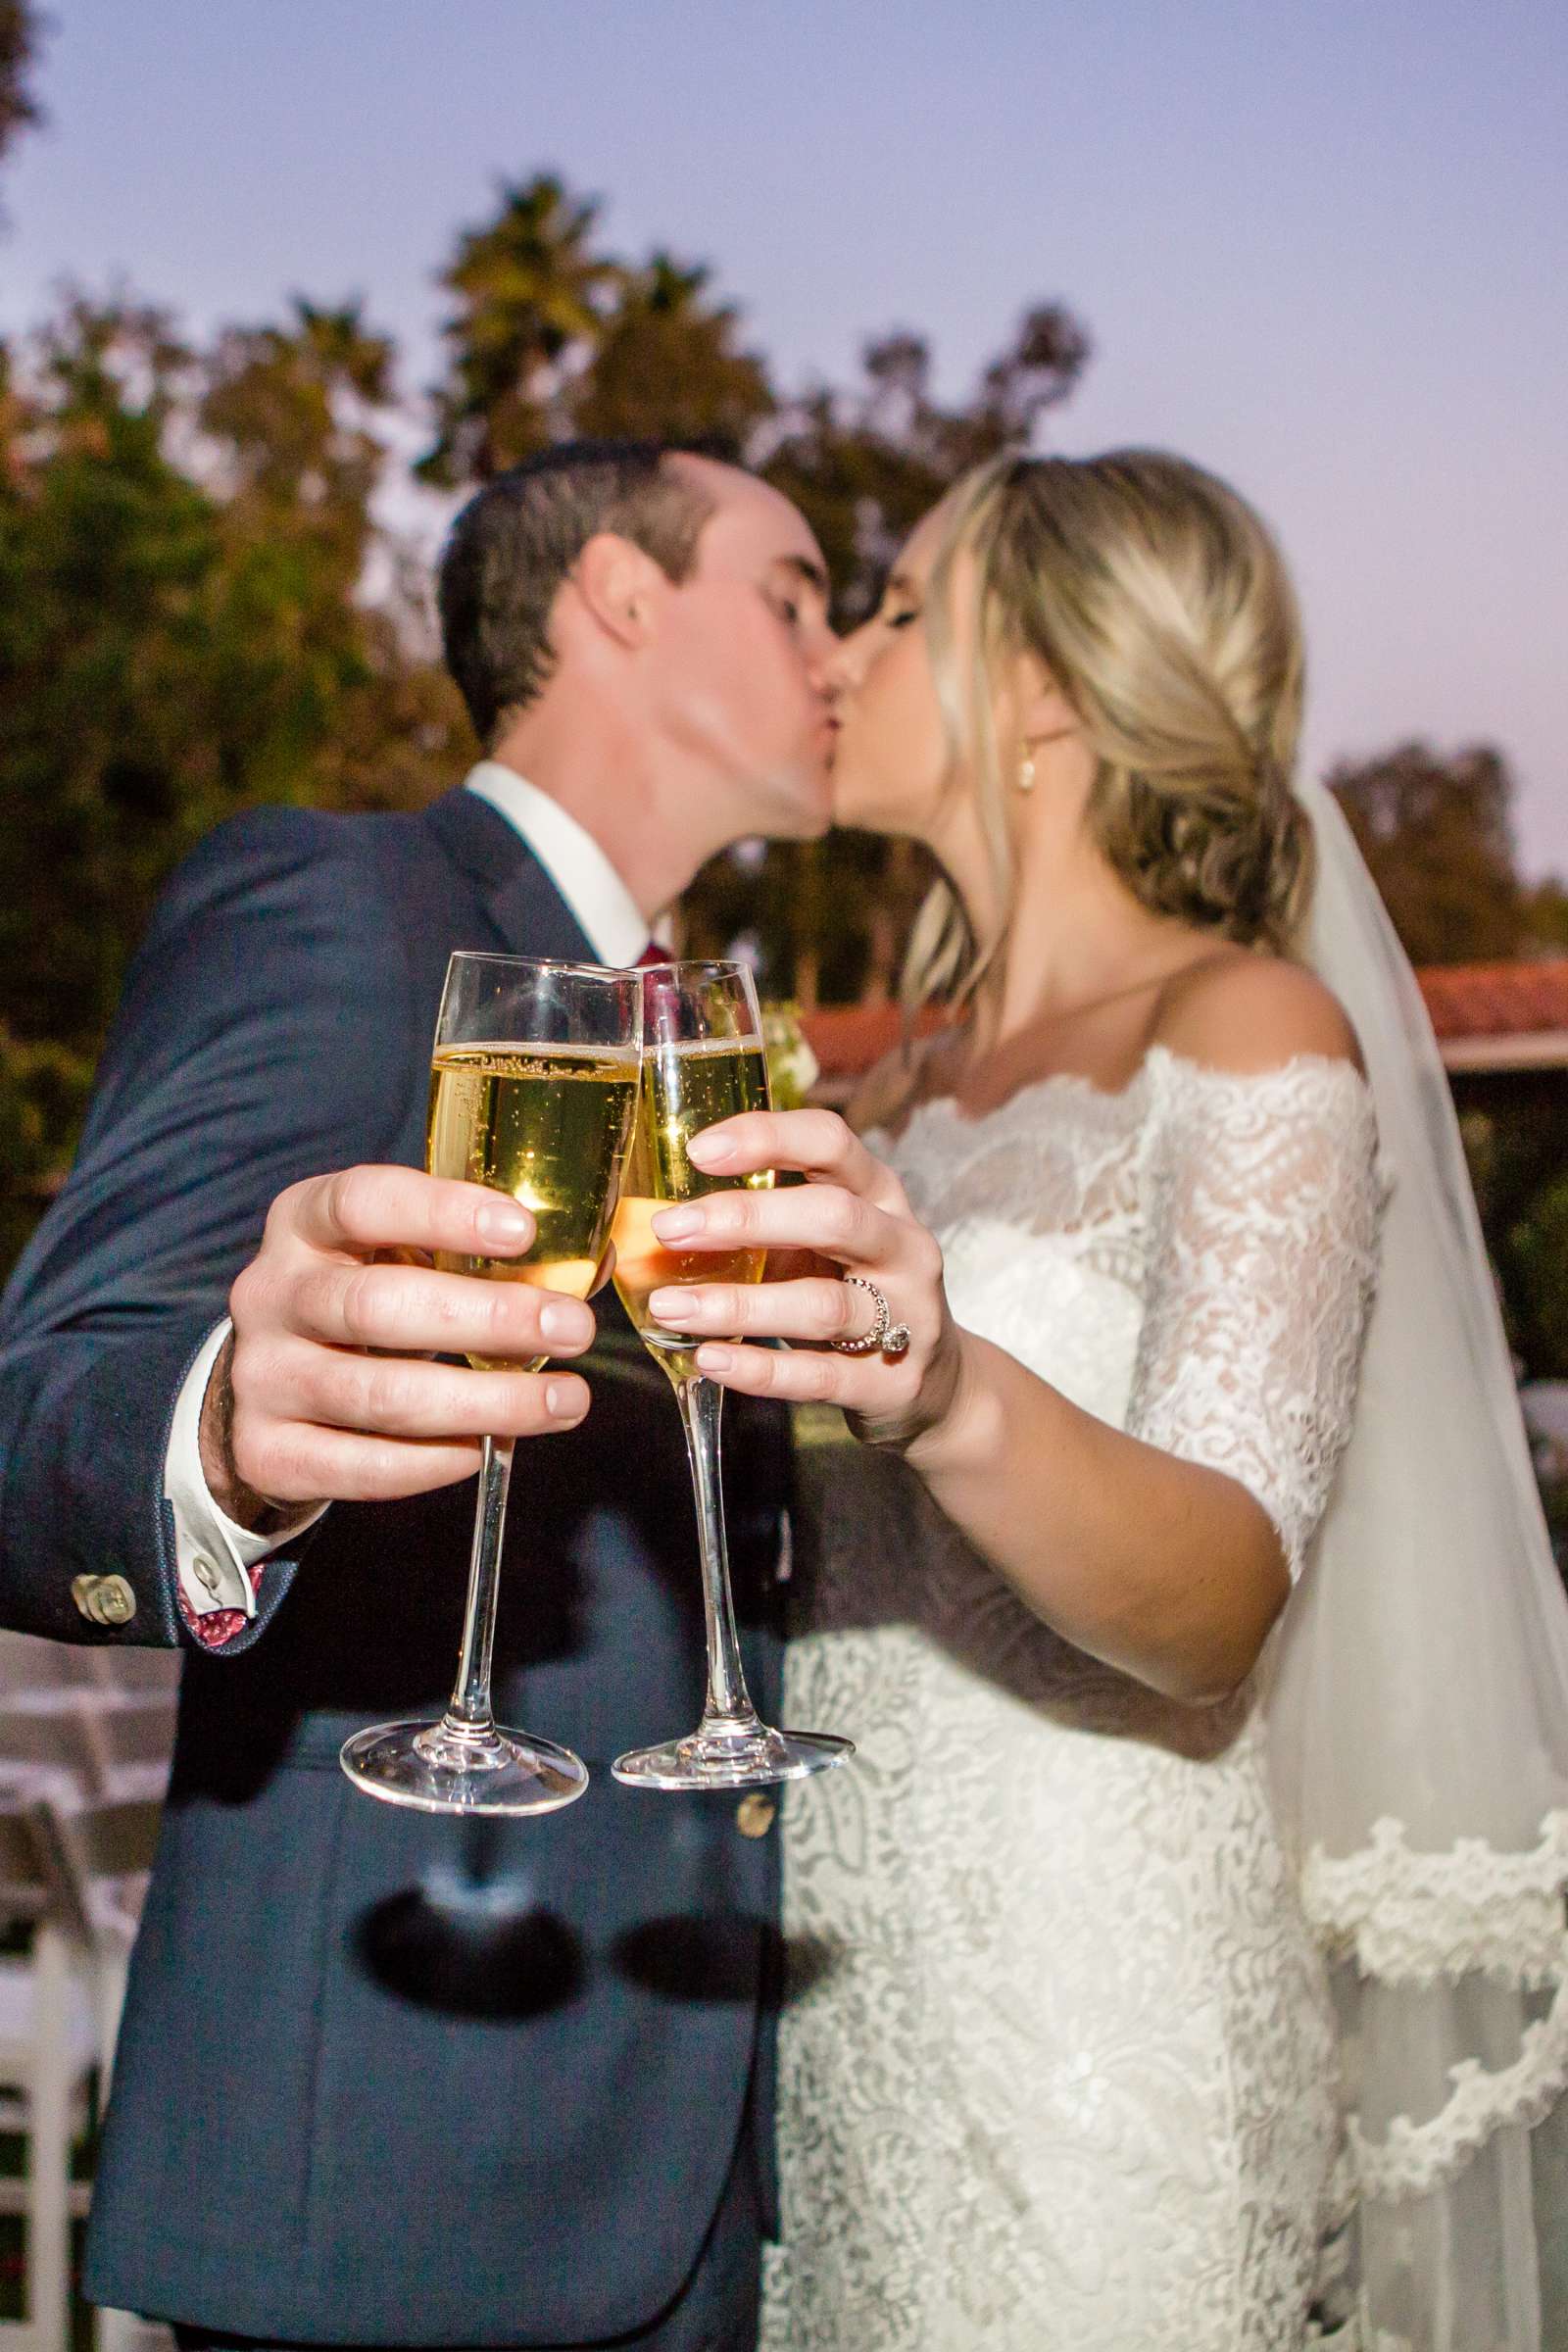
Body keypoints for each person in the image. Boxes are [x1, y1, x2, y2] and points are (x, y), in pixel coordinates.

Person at [642, 450, 1568, 2347]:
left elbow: (1220, 1597)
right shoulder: (885, 1098)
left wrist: (949, 1389)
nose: (849, 655)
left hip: (1095, 2035)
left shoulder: (1235, 1026)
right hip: (845, 2025)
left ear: (1043, 691)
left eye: (901, 614)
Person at [0, 441, 837, 2350]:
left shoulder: (693, 1019)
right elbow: (33, 1404)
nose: (835, 653)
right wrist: (220, 1432)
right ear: (618, 596)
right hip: (396, 2189)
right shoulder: (343, 899)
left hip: (682, 2157)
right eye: (789, 596)